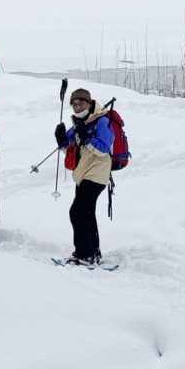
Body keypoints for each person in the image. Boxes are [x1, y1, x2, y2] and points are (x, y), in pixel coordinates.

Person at [54, 88, 113, 265]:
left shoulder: (101, 120)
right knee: (87, 213)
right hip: (83, 173)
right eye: (74, 104)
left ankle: (83, 254)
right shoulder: (79, 123)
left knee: (77, 212)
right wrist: (61, 140)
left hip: (97, 173)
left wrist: (87, 137)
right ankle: (93, 253)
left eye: (81, 103)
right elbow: (72, 151)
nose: (77, 107)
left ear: (89, 103)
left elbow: (104, 149)